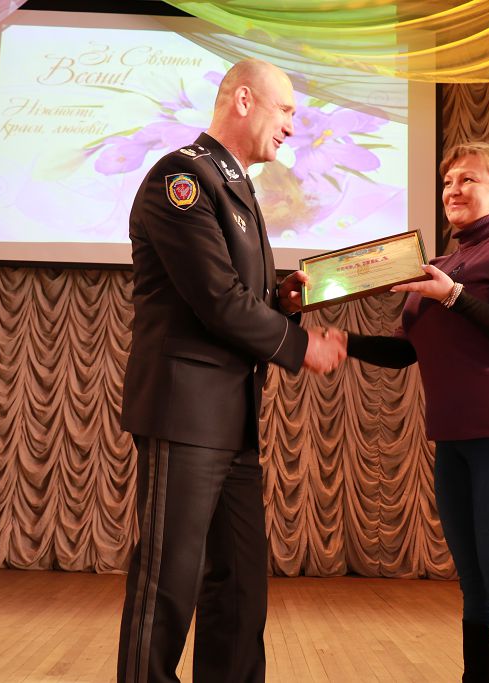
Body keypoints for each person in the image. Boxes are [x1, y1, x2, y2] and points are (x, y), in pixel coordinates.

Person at [117, 59, 346, 683]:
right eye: (286, 110)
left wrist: (280, 300)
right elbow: (216, 299)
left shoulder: (235, 186)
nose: (293, 126)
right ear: (244, 101)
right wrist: (300, 346)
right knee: (168, 582)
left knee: (241, 586)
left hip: (234, 420)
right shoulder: (182, 178)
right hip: (186, 413)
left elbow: (237, 294)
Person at [337, 141, 489, 682]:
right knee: (475, 583)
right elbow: (405, 351)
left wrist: (454, 296)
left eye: (468, 180)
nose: (453, 190)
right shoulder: (437, 265)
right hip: (454, 438)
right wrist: (341, 342)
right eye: (447, 182)